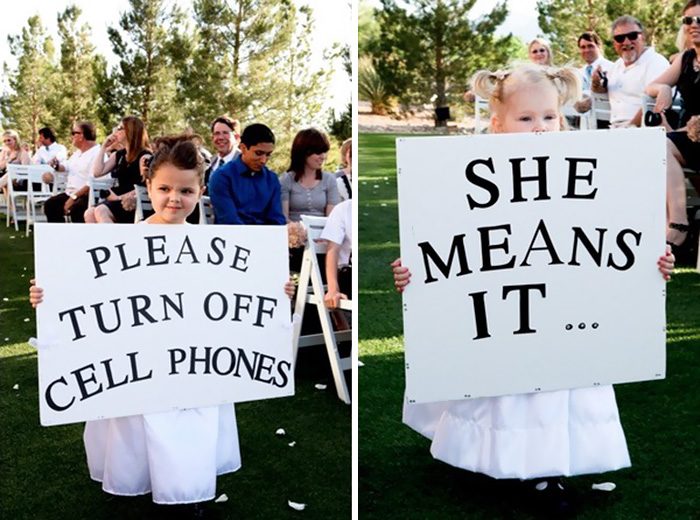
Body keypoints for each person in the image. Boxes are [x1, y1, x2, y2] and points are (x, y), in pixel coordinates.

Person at [391, 63, 676, 516]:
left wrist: (650, 263)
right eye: (526, 119)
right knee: (500, 381)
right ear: (497, 123)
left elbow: (612, 237)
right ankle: (485, 455)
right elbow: (443, 238)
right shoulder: (463, 172)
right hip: (501, 312)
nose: (540, 127)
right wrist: (414, 271)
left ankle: (545, 470)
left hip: (564, 314)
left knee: (554, 381)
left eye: (549, 116)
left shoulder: (586, 168)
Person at [30, 134, 295, 518]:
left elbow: (238, 299)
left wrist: (275, 290)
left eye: (186, 190)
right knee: (137, 433)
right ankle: (137, 488)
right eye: (165, 188)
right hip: (137, 363)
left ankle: (191, 494)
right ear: (148, 187)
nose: (175, 198)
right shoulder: (123, 244)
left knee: (188, 436)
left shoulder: (216, 248)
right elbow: (85, 293)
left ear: (200, 190)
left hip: (196, 363)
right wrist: (46, 296)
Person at [646, 0, 700, 250]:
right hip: (689, 138)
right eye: (688, 20)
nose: (694, 25)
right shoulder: (687, 59)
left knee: (663, 145)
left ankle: (679, 226)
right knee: (657, 147)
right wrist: (665, 87)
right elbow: (650, 87)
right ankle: (676, 224)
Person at [592, 15, 669, 127]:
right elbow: (603, 94)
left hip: (644, 129)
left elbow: (653, 102)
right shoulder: (616, 66)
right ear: (614, 43)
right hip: (614, 128)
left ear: (643, 37)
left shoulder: (656, 62)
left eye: (632, 36)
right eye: (620, 38)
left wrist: (630, 127)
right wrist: (596, 83)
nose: (627, 42)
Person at [208, 123, 285, 225]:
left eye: (268, 155)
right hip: (233, 238)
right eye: (258, 153)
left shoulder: (271, 179)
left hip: (265, 238)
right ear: (243, 148)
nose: (264, 160)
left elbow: (277, 219)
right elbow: (229, 220)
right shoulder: (222, 177)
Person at [85, 116, 151, 224]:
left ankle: (112, 241)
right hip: (116, 201)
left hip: (134, 202)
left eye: (120, 128)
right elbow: (98, 172)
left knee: (101, 211)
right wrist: (103, 147)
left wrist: (120, 197)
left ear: (130, 132)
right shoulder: (119, 155)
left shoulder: (144, 156)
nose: (116, 131)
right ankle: (99, 240)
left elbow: (148, 184)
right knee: (89, 213)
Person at [41, 122, 101, 223]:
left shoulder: (97, 153)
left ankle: (79, 237)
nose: (71, 136)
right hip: (71, 193)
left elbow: (92, 182)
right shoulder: (77, 153)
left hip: (89, 196)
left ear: (81, 135)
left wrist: (73, 198)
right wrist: (56, 166)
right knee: (51, 205)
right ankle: (59, 237)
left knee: (76, 209)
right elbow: (66, 167)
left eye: (73, 133)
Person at [280, 128, 340, 222]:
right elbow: (283, 217)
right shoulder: (286, 180)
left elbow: (332, 218)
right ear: (304, 152)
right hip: (294, 232)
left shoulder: (329, 180)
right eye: (318, 152)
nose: (323, 157)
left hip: (323, 232)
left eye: (324, 152)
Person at [573, 32, 614, 128]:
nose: (586, 50)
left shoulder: (612, 68)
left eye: (590, 46)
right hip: (584, 123)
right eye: (583, 47)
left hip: (607, 122)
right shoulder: (578, 73)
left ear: (599, 46)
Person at [204, 115, 241, 187]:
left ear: (236, 138)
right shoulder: (208, 163)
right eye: (217, 133)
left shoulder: (246, 163)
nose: (220, 137)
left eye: (225, 133)